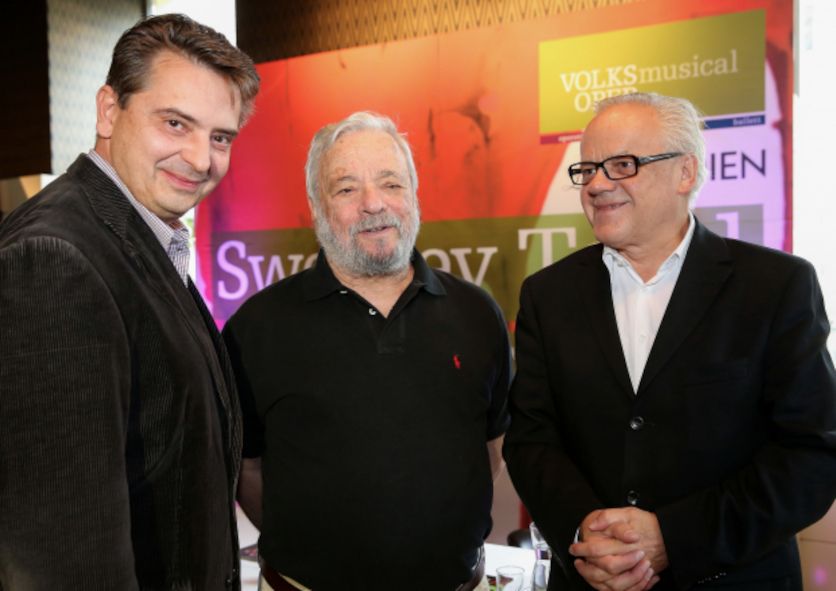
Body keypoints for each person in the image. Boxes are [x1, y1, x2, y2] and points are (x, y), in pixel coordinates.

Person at [503, 92, 836, 591]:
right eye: (588, 168)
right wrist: (587, 531)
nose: (596, 184)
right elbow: (532, 440)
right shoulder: (547, 295)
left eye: (621, 164)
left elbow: (811, 455)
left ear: (686, 173)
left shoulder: (774, 287)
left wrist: (674, 539)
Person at [0, 14, 259, 589]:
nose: (200, 159)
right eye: (175, 123)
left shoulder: (144, 234)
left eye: (220, 137)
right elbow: (61, 555)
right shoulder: (54, 256)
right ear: (109, 111)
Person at [222, 111, 511, 591]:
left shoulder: (477, 313)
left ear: (414, 196)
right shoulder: (256, 327)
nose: (374, 204)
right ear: (317, 207)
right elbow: (246, 470)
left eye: (391, 184)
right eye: (347, 189)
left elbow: (490, 447)